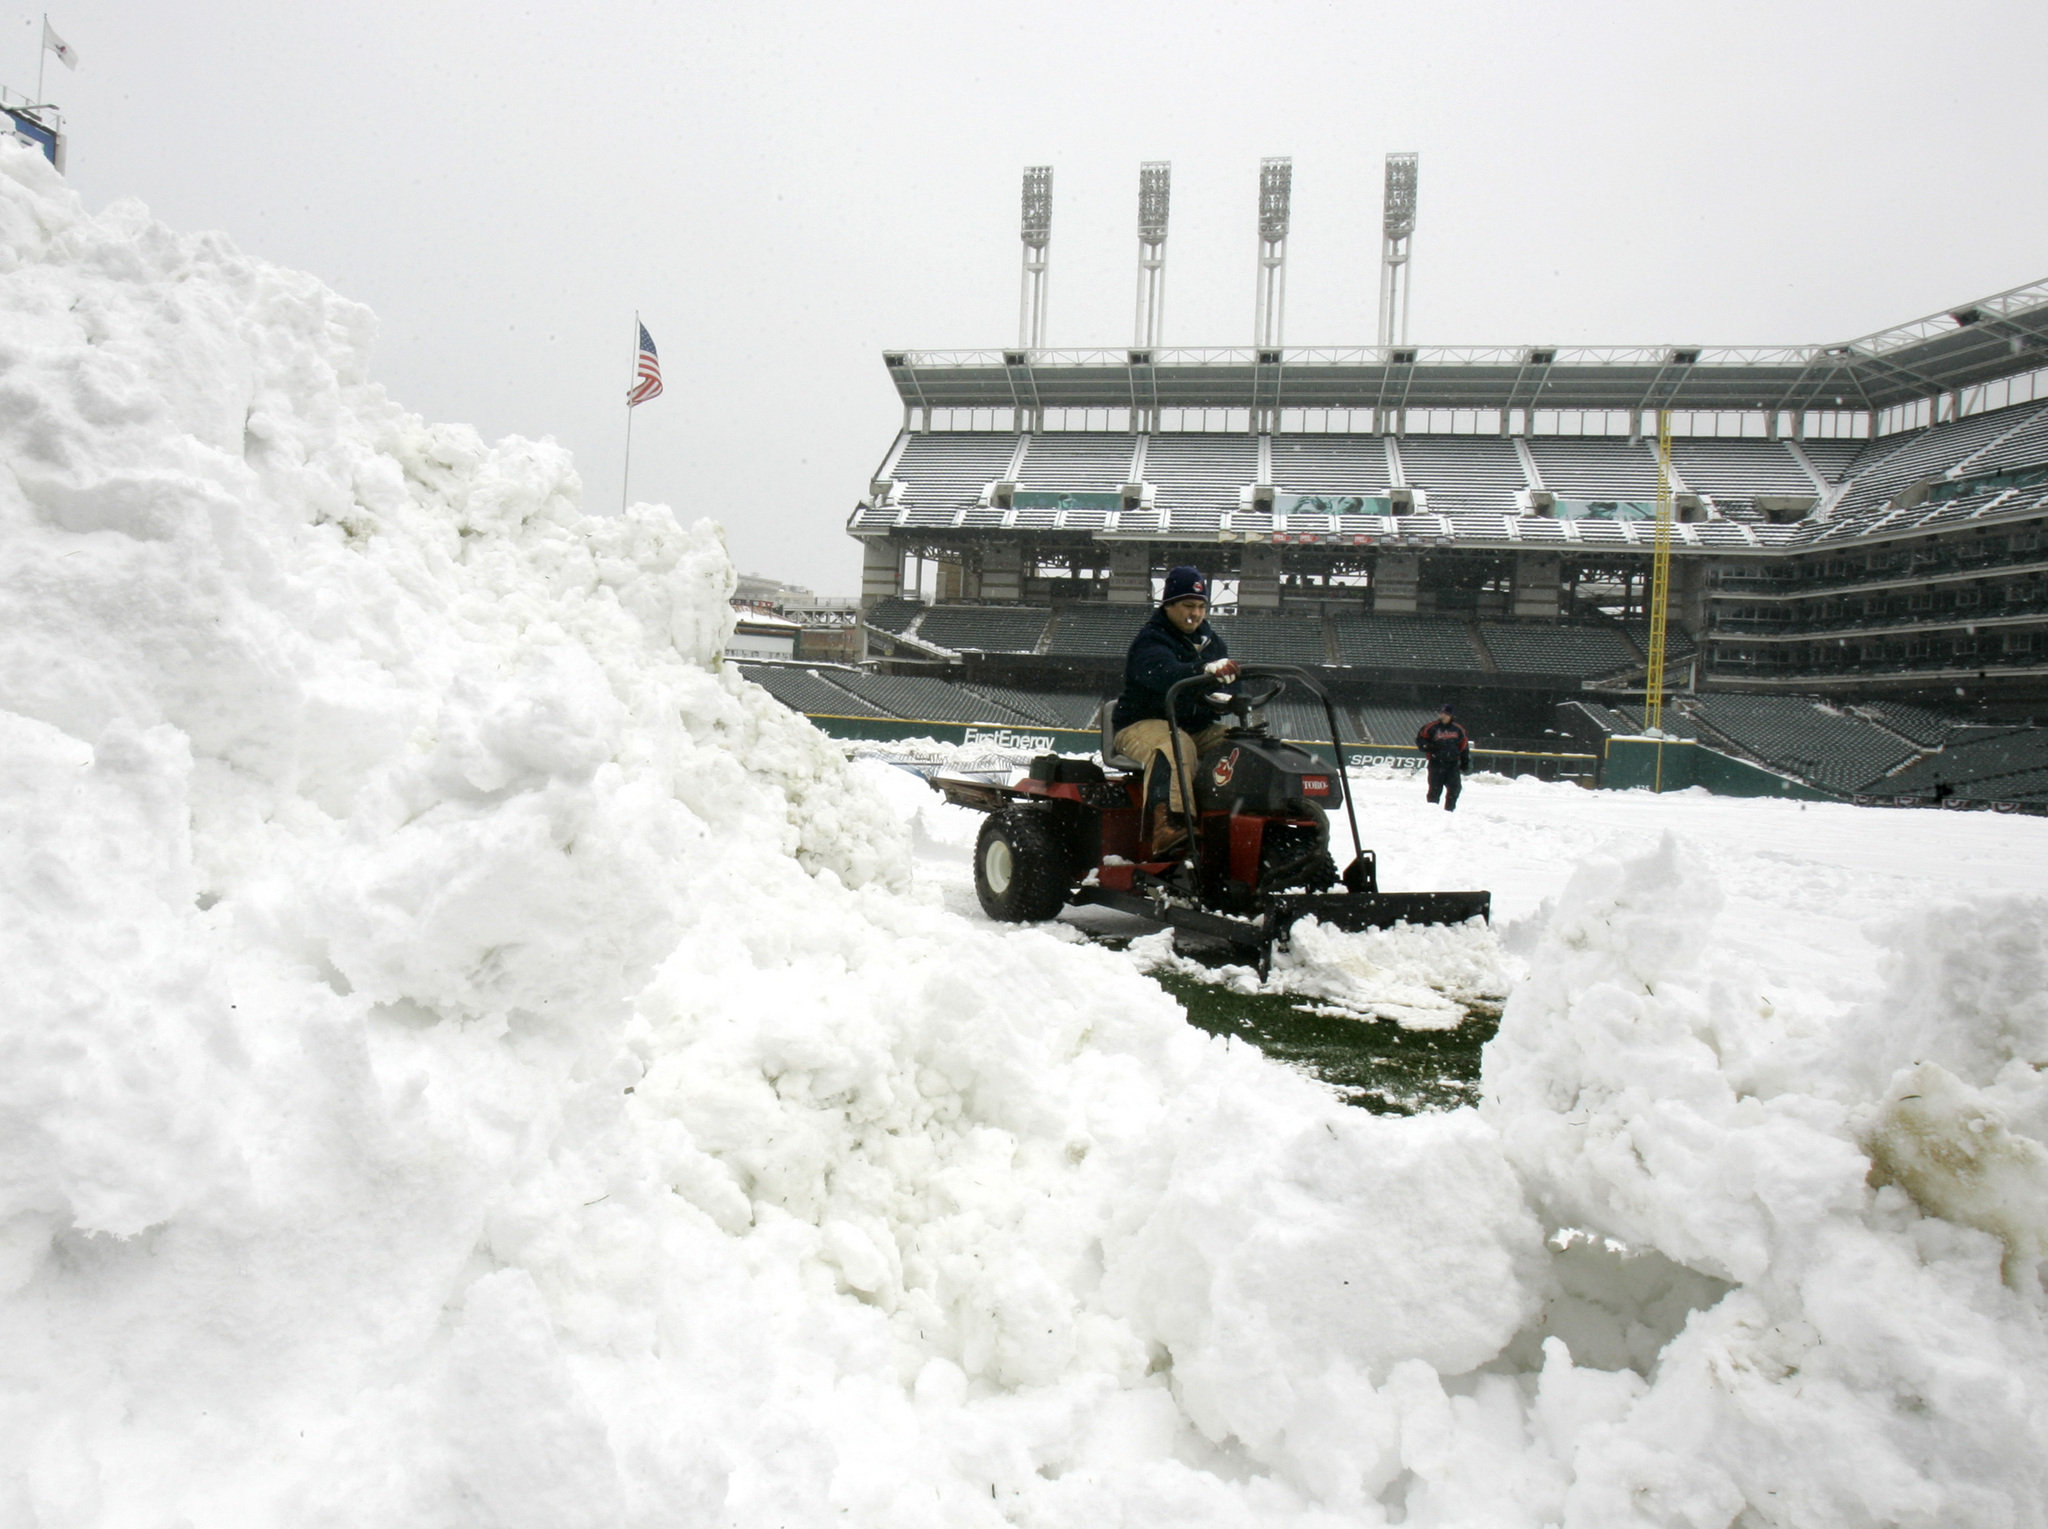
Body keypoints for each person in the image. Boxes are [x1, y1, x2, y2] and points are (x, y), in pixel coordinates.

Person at [1111, 566, 1240, 851]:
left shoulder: (1212, 642)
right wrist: (1203, 670)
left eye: (1200, 606)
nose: (1194, 613)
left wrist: (1227, 693)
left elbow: (1232, 683)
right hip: (1141, 724)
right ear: (1169, 605)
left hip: (1196, 727)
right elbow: (1164, 674)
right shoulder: (1151, 640)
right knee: (1175, 744)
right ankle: (1170, 825)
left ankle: (1240, 817)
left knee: (1240, 745)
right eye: (1187, 605)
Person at [1415, 704, 1472, 812]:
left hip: (1452, 764)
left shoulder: (1458, 729)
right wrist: (1428, 747)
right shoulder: (1431, 727)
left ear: (1451, 715)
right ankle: (1432, 811)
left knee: (1455, 788)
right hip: (1436, 763)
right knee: (1435, 789)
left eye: (1446, 714)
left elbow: (1463, 746)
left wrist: (1464, 761)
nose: (1444, 716)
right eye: (1442, 713)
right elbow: (1420, 740)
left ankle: (1449, 811)